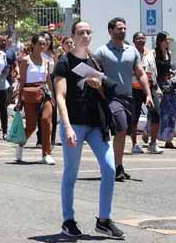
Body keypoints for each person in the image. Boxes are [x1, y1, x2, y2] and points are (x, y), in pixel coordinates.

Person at [55, 21, 125, 239]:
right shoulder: (64, 63)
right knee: (71, 172)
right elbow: (60, 96)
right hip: (74, 123)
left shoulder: (95, 61)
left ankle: (104, 220)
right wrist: (66, 127)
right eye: (80, 32)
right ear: (73, 36)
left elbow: (105, 94)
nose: (85, 35)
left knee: (109, 168)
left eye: (88, 32)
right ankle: (68, 220)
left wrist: (99, 86)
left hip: (96, 123)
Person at [93, 19, 153, 182]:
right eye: (119, 28)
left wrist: (148, 94)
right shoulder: (102, 51)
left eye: (124, 28)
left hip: (129, 97)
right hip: (111, 97)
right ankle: (112, 167)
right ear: (110, 31)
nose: (123, 31)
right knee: (121, 127)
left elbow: (140, 73)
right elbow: (93, 74)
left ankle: (117, 166)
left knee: (123, 131)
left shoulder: (131, 51)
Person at [15, 34, 56, 165]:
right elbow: (22, 81)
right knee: (31, 125)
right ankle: (21, 144)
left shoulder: (47, 60)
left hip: (44, 92)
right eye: (39, 44)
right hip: (30, 93)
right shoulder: (26, 60)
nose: (42, 46)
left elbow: (48, 79)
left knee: (46, 121)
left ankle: (46, 154)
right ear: (33, 45)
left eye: (44, 44)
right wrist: (19, 99)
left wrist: (54, 96)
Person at [133, 32, 164, 155]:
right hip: (135, 87)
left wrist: (157, 87)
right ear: (134, 40)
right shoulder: (131, 53)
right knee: (134, 117)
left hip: (150, 87)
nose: (141, 40)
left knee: (156, 114)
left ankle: (153, 143)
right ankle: (134, 144)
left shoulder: (150, 53)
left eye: (142, 38)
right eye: (138, 38)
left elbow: (154, 70)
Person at [155, 32, 176, 149]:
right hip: (159, 84)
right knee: (160, 111)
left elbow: (168, 69)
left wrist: (175, 74)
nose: (168, 42)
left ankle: (168, 139)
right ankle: (149, 133)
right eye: (167, 40)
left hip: (168, 84)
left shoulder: (169, 54)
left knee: (171, 111)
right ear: (161, 41)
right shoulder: (155, 54)